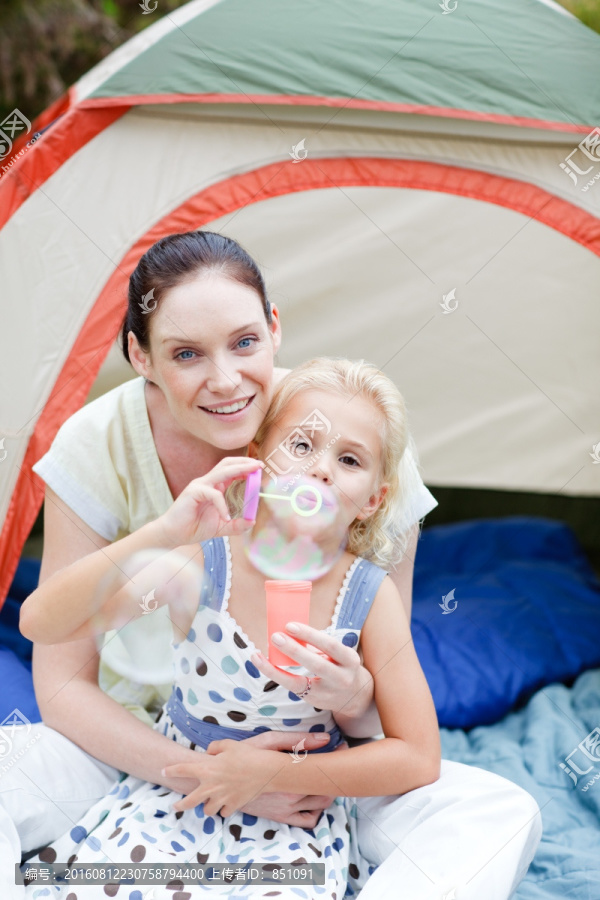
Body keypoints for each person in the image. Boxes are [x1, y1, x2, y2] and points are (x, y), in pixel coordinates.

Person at [1, 232, 541, 899]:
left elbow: (396, 726)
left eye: (244, 341)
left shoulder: (365, 432)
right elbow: (55, 669)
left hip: (314, 775)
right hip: (127, 747)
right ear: (139, 355)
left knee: (503, 812)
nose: (225, 380)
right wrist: (208, 774)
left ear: (274, 328)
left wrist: (346, 710)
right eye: (186, 353)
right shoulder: (128, 480)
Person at [19, 357, 444, 898]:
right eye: (302, 445)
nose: (320, 470)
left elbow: (418, 755)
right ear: (257, 460)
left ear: (374, 500)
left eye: (350, 459)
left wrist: (271, 778)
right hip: (174, 806)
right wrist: (164, 532)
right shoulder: (200, 565)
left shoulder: (366, 596)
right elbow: (39, 623)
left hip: (292, 821)